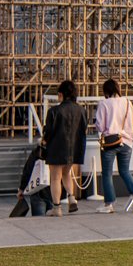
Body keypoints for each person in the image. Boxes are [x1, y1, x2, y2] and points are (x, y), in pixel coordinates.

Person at [95, 77, 133, 213]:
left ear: (106, 91)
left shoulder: (104, 103)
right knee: (125, 171)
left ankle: (109, 204)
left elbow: (100, 126)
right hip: (127, 141)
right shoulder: (128, 102)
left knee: (107, 174)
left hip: (110, 142)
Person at [43, 79, 89, 215]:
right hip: (74, 148)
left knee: (55, 177)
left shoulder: (54, 111)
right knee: (66, 173)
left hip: (57, 148)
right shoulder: (82, 110)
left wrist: (44, 141)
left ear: (61, 94)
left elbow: (49, 132)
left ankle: (56, 208)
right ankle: (71, 197)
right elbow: (84, 128)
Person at [14, 146, 52, 217]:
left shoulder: (38, 151)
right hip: (54, 193)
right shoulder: (59, 152)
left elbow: (28, 170)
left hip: (38, 191)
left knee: (39, 221)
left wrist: (22, 189)